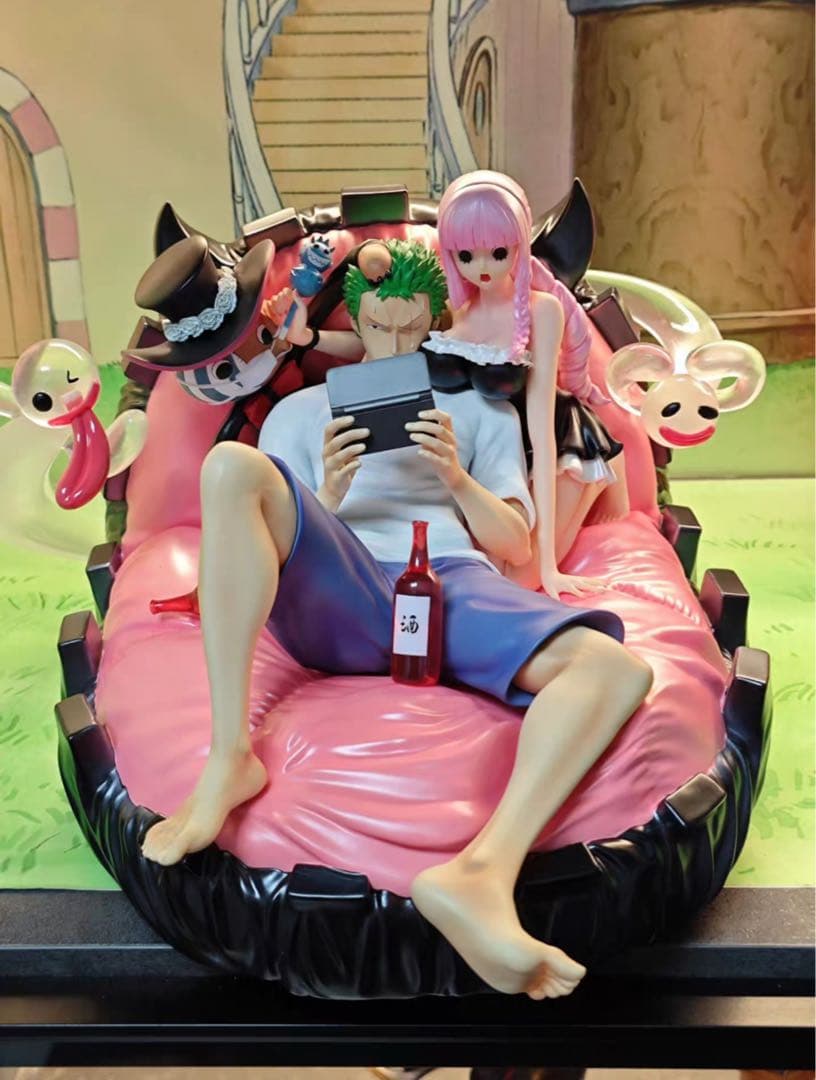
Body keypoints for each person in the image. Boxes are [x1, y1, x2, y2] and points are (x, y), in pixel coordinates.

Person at [141, 239, 652, 1000]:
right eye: (378, 328)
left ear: (433, 323)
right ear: (353, 324)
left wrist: (456, 477)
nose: (393, 343)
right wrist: (331, 492)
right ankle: (228, 759)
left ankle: (482, 874)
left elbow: (515, 543)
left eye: (411, 328)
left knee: (614, 668)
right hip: (339, 579)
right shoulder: (298, 412)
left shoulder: (479, 408)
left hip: (449, 576)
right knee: (230, 466)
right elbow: (264, 538)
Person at [429, 171, 629, 596]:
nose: (483, 268)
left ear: (519, 243)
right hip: (486, 459)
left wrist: (550, 566)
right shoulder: (452, 310)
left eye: (498, 252)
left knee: (518, 581)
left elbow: (541, 426)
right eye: (466, 255)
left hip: (551, 448)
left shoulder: (542, 310)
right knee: (474, 574)